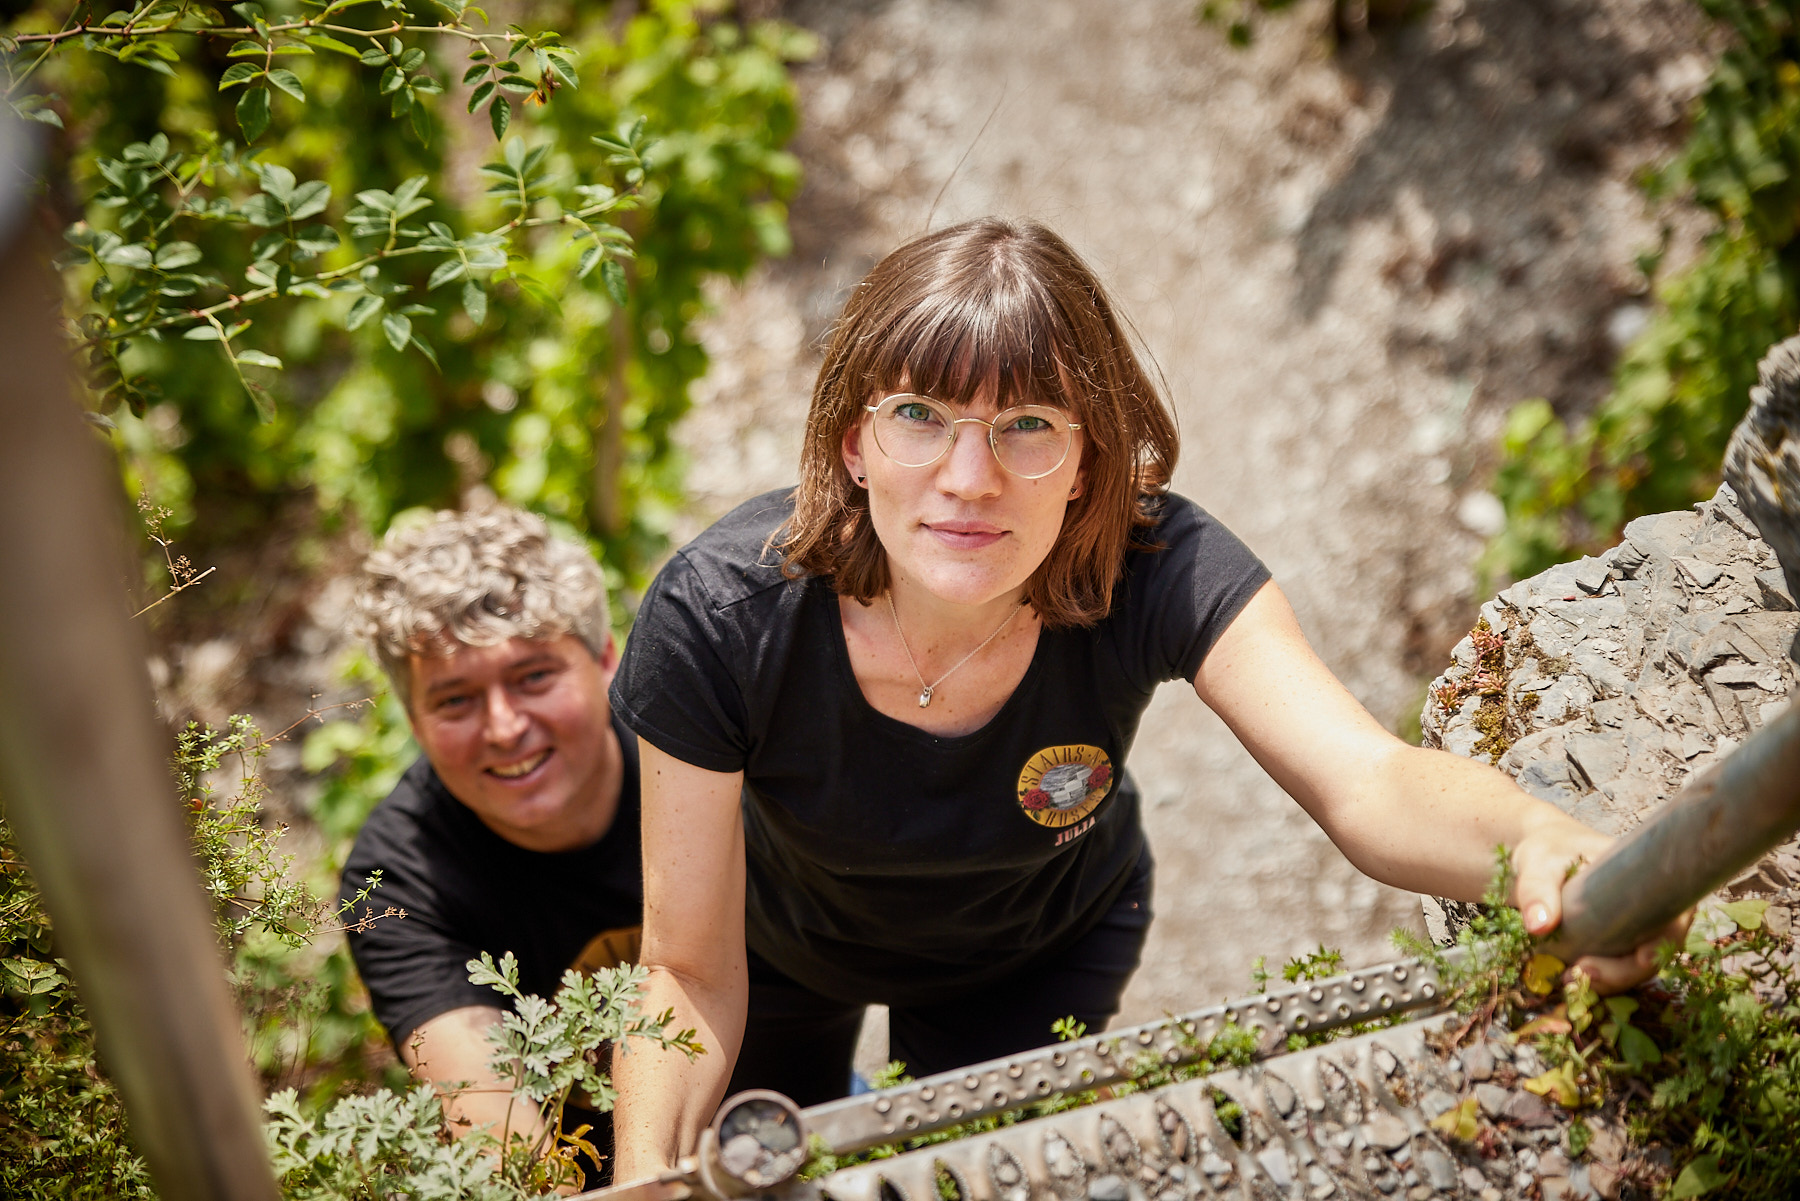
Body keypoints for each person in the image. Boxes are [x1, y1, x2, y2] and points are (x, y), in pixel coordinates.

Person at [605, 217, 1679, 1179]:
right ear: (854, 445)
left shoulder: (1161, 566)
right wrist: (644, 1176)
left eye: (1029, 424)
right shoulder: (720, 615)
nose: (970, 477)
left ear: (1088, 461)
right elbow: (688, 967)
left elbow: (1366, 781)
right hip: (778, 952)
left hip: (1034, 952)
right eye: (920, 416)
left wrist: (1539, 840)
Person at [338, 504, 640, 1183]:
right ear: (413, 719)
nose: (504, 728)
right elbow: (502, 1142)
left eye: (534, 677)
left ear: (605, 660)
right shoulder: (394, 883)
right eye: (454, 700)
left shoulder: (704, 752)